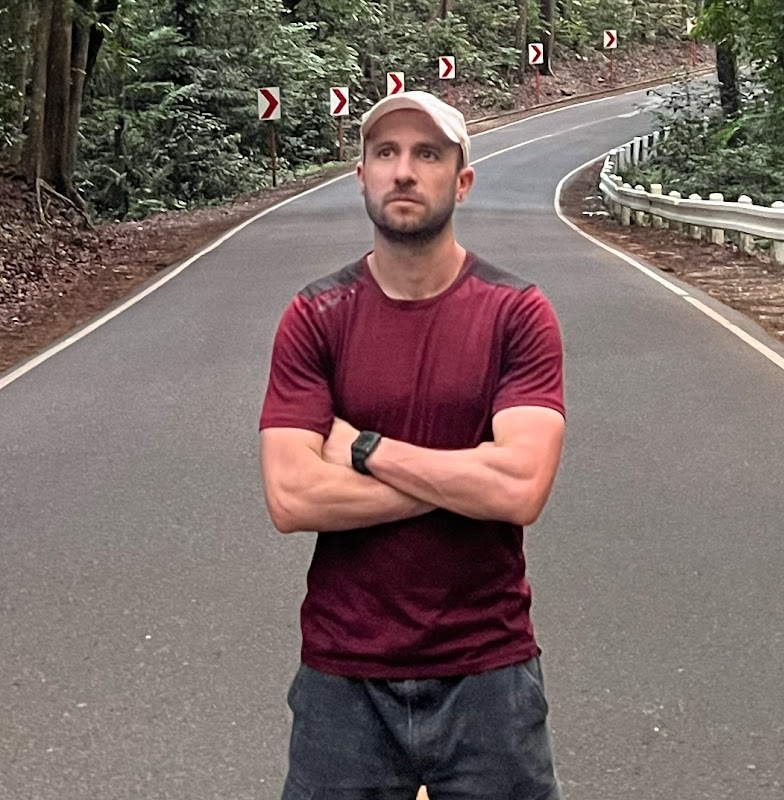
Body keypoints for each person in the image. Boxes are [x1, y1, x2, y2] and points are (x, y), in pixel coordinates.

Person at [259, 90, 566, 800]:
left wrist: (363, 448)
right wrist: (468, 475)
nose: (404, 171)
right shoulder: (315, 316)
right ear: (361, 175)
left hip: (488, 670)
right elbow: (292, 496)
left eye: (427, 154)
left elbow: (520, 490)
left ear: (462, 181)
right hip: (345, 677)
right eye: (386, 153)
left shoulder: (517, 314)